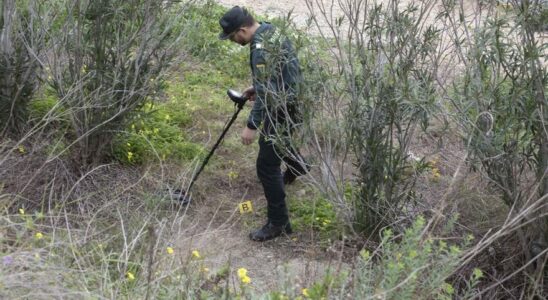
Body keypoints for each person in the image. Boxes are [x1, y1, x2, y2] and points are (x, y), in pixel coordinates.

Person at [219, 6, 309, 241]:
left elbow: (268, 92)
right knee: (280, 142)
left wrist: (252, 125)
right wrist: (256, 88)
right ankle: (298, 165)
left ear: (242, 30)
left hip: (281, 108)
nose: (233, 41)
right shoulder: (271, 30)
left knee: (267, 166)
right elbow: (276, 75)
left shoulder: (260, 48)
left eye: (232, 37)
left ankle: (278, 223)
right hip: (294, 101)